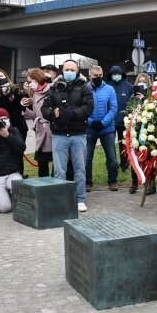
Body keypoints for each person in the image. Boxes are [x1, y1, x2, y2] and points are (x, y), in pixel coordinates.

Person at [41, 59, 94, 212]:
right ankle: (60, 200)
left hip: (78, 133)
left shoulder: (84, 87)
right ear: (62, 70)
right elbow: (45, 109)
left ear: (77, 71)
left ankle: (80, 199)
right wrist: (53, 114)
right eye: (66, 69)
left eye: (72, 69)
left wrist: (72, 114)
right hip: (59, 134)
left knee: (80, 168)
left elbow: (89, 107)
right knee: (59, 170)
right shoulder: (54, 88)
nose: (69, 72)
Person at [0, 69, 27, 174]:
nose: (0, 79)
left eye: (2, 76)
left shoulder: (15, 89)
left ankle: (19, 173)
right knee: (4, 151)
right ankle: (5, 174)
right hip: (2, 125)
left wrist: (8, 94)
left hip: (17, 125)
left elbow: (19, 105)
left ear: (6, 77)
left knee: (18, 151)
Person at [85, 66, 118, 192]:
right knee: (87, 158)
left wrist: (103, 123)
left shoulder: (109, 89)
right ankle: (88, 182)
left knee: (112, 158)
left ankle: (113, 181)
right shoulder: (84, 89)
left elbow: (113, 108)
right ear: (90, 76)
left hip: (107, 129)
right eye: (95, 75)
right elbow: (82, 108)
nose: (98, 77)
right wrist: (91, 122)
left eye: (100, 75)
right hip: (89, 129)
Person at [22, 68, 53, 177]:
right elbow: (36, 115)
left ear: (37, 79)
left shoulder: (52, 90)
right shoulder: (35, 94)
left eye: (30, 82)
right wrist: (24, 109)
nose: (29, 84)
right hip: (40, 132)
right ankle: (44, 189)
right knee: (42, 165)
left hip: (51, 131)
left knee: (57, 163)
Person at [128, 73, 156, 195]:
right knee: (134, 155)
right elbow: (128, 110)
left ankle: (151, 184)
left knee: (149, 156)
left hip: (147, 129)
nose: (142, 84)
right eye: (140, 82)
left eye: (144, 82)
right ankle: (135, 182)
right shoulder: (133, 97)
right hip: (135, 129)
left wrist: (144, 99)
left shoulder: (151, 95)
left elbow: (154, 109)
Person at [107, 65, 133, 172]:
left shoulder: (128, 86)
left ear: (122, 75)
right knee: (109, 146)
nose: (116, 76)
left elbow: (133, 103)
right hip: (110, 122)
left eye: (118, 74)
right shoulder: (107, 86)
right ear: (111, 75)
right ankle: (111, 166)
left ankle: (124, 165)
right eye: (114, 74)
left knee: (124, 145)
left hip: (124, 122)